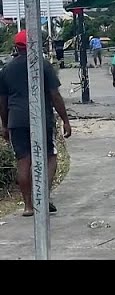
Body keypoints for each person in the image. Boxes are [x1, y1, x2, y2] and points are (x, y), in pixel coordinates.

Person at [0, 30, 72, 217]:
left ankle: (28, 206)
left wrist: (5, 125)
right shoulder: (43, 65)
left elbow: (2, 102)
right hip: (40, 118)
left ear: (16, 47)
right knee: (50, 156)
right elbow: (54, 95)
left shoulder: (6, 69)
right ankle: (44, 197)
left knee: (23, 161)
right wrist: (65, 120)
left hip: (16, 119)